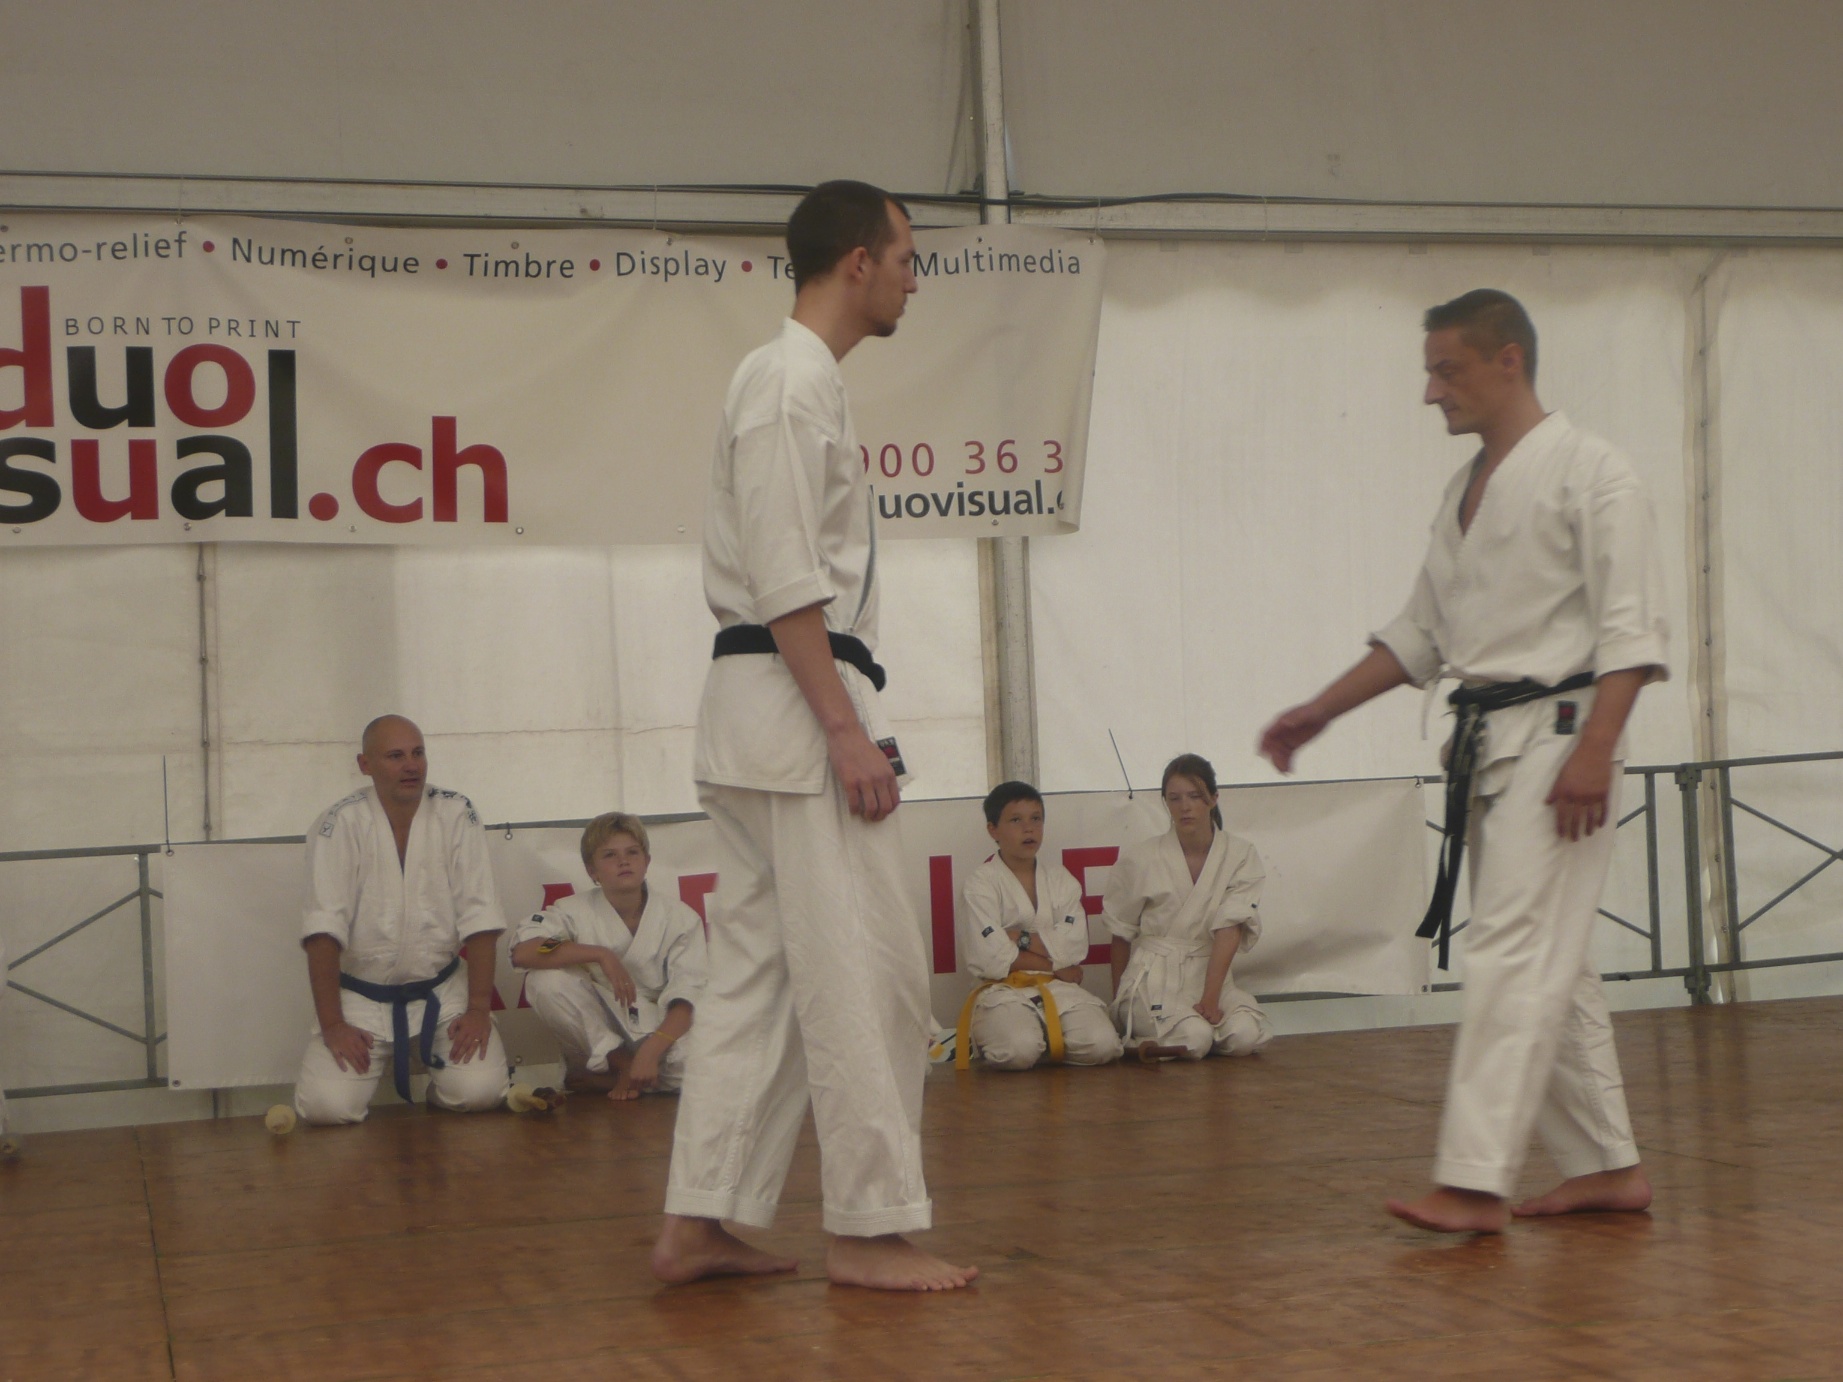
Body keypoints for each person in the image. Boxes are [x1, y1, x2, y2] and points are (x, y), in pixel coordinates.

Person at [1258, 289, 1667, 1233]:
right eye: (1429, 371)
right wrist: (1319, 710)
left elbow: (1632, 629)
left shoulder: (1593, 471)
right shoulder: (1464, 492)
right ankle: (1605, 1166)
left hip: (1564, 737)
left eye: (1446, 370)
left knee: (1512, 952)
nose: (1429, 392)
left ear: (1507, 361)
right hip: (1492, 746)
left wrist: (1596, 748)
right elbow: (1420, 635)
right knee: (1549, 960)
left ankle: (1475, 1180)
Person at [653, 181, 976, 1291]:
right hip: (798, 712)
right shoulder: (789, 380)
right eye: (906, 257)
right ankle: (869, 1227)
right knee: (864, 975)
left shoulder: (797, 382)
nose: (914, 280)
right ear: (856, 261)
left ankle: (699, 1219)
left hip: (769, 712)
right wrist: (843, 729)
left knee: (762, 985)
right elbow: (785, 571)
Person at [291, 714, 511, 1124]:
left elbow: (480, 918)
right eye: (395, 756)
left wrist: (479, 1009)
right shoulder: (339, 824)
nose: (411, 765)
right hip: (360, 999)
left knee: (480, 1093)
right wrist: (334, 1023)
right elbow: (323, 931)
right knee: (326, 1108)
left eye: (418, 753)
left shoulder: (456, 813)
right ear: (365, 764)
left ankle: (444, 1087)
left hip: (441, 993)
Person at [512, 812, 705, 1100]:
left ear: (647, 861)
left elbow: (688, 997)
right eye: (610, 855)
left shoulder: (681, 919)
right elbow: (527, 950)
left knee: (704, 1067)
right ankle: (621, 1066)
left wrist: (652, 1051)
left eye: (632, 852)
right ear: (592, 871)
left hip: (658, 1031)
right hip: (599, 1035)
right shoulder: (572, 913)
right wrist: (600, 954)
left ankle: (617, 1078)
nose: (623, 861)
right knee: (545, 981)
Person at [1104, 754, 1272, 1060]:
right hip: (1153, 980)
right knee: (1195, 1038)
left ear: (1213, 798)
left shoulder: (1239, 854)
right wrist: (1119, 1009)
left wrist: (1211, 998)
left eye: (1195, 796)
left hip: (1211, 974)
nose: (1185, 807)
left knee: (1243, 1037)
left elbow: (1230, 927)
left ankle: (1189, 1027)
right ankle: (1137, 1039)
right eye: (1175, 798)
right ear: (1165, 802)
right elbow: (1120, 933)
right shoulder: (1141, 858)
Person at [954, 781, 1123, 1071]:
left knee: (1103, 1045)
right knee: (1018, 1050)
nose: (1028, 829)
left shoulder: (1060, 880)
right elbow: (990, 956)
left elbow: (1074, 946)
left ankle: (1044, 1038)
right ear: (993, 830)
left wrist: (1017, 937)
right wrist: (1055, 966)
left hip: (1058, 988)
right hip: (1002, 990)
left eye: (1036, 819)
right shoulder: (979, 884)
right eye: (1016, 820)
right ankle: (1030, 1038)